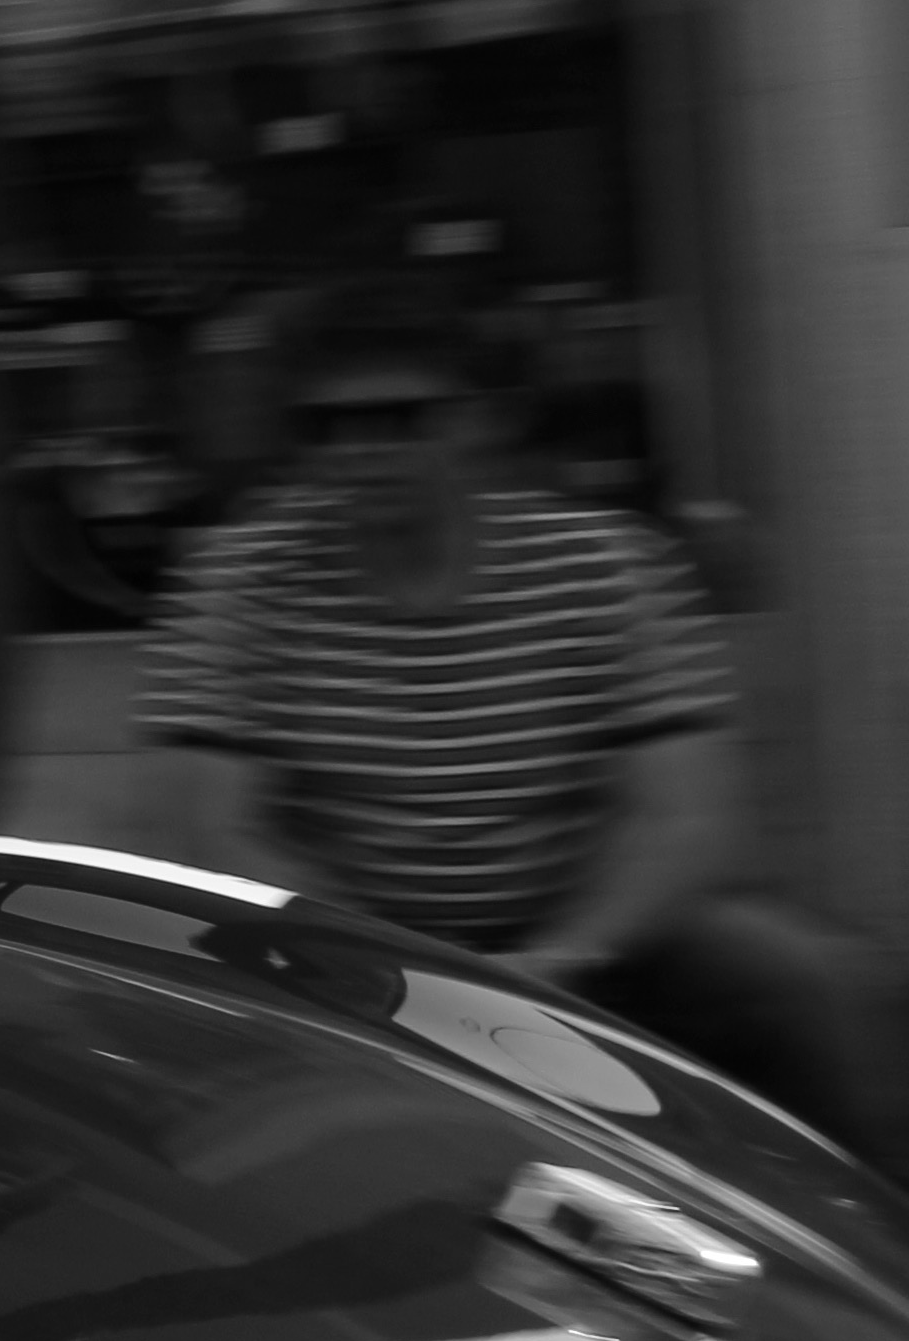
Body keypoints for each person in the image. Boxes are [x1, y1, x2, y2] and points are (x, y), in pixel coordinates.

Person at [138, 279, 903, 1162]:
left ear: (479, 420)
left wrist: (562, 961)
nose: (360, 452)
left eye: (398, 419)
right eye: (326, 427)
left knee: (811, 982)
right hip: (343, 946)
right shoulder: (241, 580)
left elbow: (684, 820)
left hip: (594, 937)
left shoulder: (600, 564)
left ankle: (874, 1226)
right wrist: (390, 968)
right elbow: (216, 829)